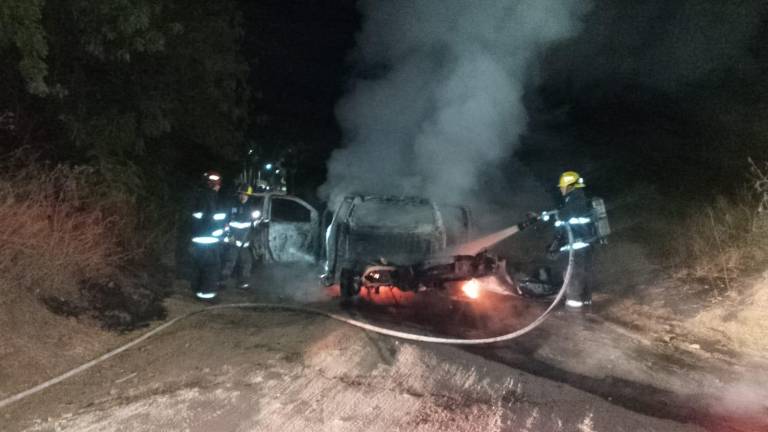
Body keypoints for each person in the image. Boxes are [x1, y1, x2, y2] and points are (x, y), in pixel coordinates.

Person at [547, 171, 596, 309]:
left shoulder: (576, 199)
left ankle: (573, 311)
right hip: (582, 246)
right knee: (583, 276)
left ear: (569, 186)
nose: (561, 189)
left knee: (572, 277)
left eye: (562, 186)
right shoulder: (577, 200)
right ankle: (586, 306)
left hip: (576, 248)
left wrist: (557, 217)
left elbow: (565, 216)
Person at [189, 170, 228, 300]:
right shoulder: (213, 199)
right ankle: (207, 295)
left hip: (197, 238)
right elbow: (215, 219)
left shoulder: (197, 196)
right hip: (210, 240)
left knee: (198, 265)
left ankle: (197, 291)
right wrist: (221, 233)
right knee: (212, 266)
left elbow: (193, 217)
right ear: (217, 185)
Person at [222, 184, 261, 289]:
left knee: (247, 262)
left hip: (244, 242)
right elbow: (226, 223)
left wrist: (261, 224)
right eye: (241, 194)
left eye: (245, 195)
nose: (243, 196)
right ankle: (223, 282)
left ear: (249, 196)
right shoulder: (232, 206)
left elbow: (255, 224)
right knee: (230, 261)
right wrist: (229, 235)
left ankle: (243, 283)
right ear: (238, 195)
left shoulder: (252, 208)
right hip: (233, 240)